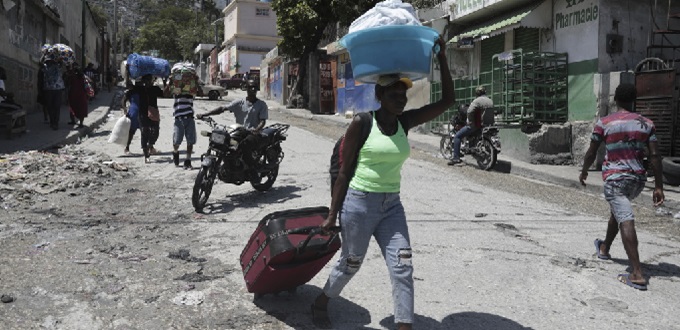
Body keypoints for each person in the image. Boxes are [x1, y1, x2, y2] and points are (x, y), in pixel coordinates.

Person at [312, 36, 454, 330]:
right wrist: (331, 214)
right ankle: (320, 302)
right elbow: (343, 171)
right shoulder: (362, 122)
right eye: (394, 95)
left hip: (392, 207)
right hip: (359, 204)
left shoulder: (405, 122)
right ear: (379, 95)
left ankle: (404, 325)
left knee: (403, 267)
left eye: (403, 95)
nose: (400, 100)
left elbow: (448, 101)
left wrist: (441, 56)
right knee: (350, 264)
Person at [580, 82, 664, 291]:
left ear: (615, 100)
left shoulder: (605, 122)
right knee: (617, 211)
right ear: (633, 99)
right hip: (637, 180)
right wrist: (658, 187)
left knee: (625, 217)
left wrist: (584, 170)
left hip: (615, 179)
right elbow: (654, 156)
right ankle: (604, 247)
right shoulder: (646, 124)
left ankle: (636, 273)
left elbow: (592, 152)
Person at [197, 79, 268, 182]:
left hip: (253, 133)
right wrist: (205, 114)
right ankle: (228, 166)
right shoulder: (240, 102)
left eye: (254, 87)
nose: (252, 89)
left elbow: (263, 121)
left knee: (245, 145)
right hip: (239, 131)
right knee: (225, 143)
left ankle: (253, 171)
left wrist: (257, 129)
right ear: (246, 88)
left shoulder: (261, 105)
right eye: (250, 87)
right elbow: (222, 108)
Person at [122, 75, 163, 162]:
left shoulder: (155, 89)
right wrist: (127, 73)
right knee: (141, 132)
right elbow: (127, 89)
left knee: (154, 132)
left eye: (149, 80)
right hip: (139, 114)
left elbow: (165, 94)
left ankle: (150, 146)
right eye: (145, 80)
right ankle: (145, 153)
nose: (147, 82)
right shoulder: (138, 89)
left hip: (153, 113)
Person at [448, 85, 493, 165]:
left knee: (457, 136)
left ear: (477, 93)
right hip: (487, 124)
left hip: (477, 124)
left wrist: (469, 120)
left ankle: (456, 158)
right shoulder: (490, 100)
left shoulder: (477, 101)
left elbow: (469, 111)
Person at [172, 93, 197, 169]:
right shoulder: (177, 89)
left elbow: (200, 92)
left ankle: (188, 160)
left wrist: (195, 85)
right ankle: (175, 152)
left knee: (190, 140)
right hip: (179, 119)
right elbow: (166, 92)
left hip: (190, 117)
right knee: (177, 141)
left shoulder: (190, 90)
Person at [42, 56, 66, 130]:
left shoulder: (56, 67)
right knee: (54, 107)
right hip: (52, 89)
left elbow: (62, 64)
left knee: (54, 106)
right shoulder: (46, 68)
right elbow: (40, 63)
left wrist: (59, 59)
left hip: (54, 89)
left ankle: (54, 122)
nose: (50, 63)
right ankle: (54, 122)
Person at [65, 64, 89, 128]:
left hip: (73, 94)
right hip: (81, 95)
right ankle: (81, 123)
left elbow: (67, 83)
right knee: (81, 109)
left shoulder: (72, 77)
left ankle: (73, 121)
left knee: (72, 107)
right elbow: (87, 86)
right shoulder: (83, 77)